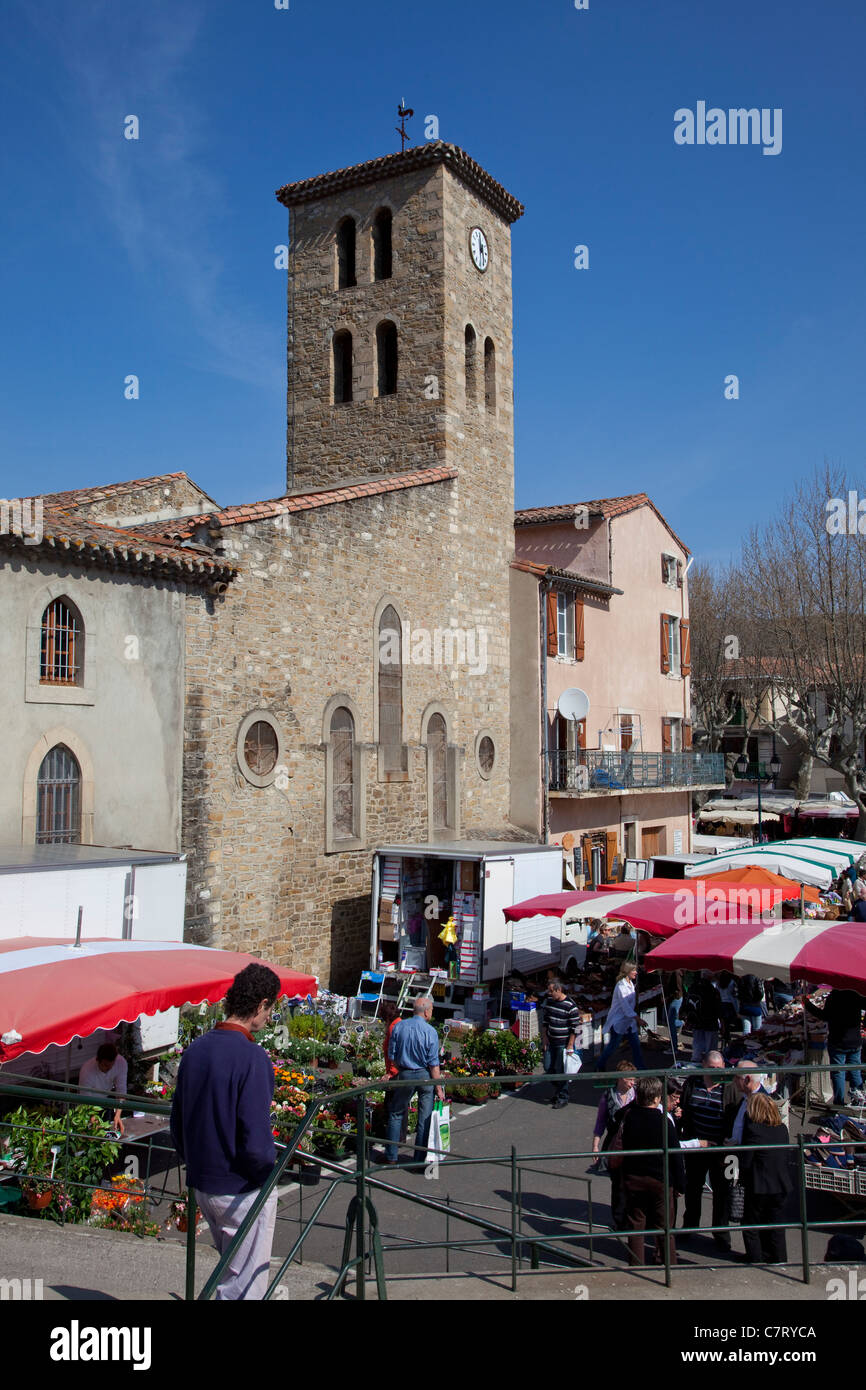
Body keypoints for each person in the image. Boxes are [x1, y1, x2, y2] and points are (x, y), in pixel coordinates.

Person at [170, 963, 281, 1300]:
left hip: (204, 1182)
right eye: (271, 1009)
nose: (270, 1018)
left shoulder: (196, 1050)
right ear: (260, 1005)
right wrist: (267, 1173)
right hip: (240, 1187)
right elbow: (256, 1137)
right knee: (245, 1286)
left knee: (231, 1273)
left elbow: (177, 1122)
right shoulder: (252, 1057)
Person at [620, 1075, 686, 1266]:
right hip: (660, 1180)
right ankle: (668, 1266)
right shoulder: (664, 1121)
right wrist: (681, 1185)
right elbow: (676, 1156)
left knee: (636, 1224)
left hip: (634, 1178)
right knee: (665, 1226)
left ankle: (636, 1266)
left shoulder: (630, 1117)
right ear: (657, 1098)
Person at [679, 1052, 731, 1251]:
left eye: (719, 1068)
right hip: (696, 1146)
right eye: (712, 1068)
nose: (716, 1072)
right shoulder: (693, 1083)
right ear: (703, 1066)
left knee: (722, 1192)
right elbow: (684, 1107)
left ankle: (721, 1233)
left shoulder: (729, 1087)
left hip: (721, 1150)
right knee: (693, 1188)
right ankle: (689, 1227)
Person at [384, 997, 445, 1164]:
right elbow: (434, 1064)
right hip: (424, 1076)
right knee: (424, 1118)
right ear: (426, 1012)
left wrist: (402, 1068)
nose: (432, 1013)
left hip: (405, 1074)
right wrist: (439, 1088)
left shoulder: (399, 1027)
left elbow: (392, 1055)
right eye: (431, 1010)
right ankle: (419, 1158)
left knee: (396, 1113)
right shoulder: (430, 1031)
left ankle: (391, 1155)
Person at [739, 1092, 793, 1264]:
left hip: (759, 1185)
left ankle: (755, 1258)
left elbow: (747, 1161)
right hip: (781, 1183)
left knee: (751, 1224)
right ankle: (779, 1258)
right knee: (776, 1226)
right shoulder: (782, 1129)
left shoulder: (753, 1129)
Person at [804, 989, 866, 1105]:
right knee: (855, 1070)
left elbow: (824, 1015)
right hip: (854, 1041)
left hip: (838, 1042)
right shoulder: (856, 995)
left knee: (839, 1073)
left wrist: (808, 1005)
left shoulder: (834, 997)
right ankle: (859, 1101)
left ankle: (839, 1102)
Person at [540, 978, 581, 1108]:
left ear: (559, 990)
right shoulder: (549, 1002)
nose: (549, 993)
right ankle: (560, 1092)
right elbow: (545, 1021)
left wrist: (570, 1045)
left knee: (560, 1070)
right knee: (548, 1068)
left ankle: (563, 1096)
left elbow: (575, 1028)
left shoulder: (571, 1006)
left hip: (563, 1043)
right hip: (551, 1041)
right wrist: (545, 1038)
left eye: (552, 991)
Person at [596, 963, 646, 1071]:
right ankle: (599, 1065)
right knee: (612, 1047)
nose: (636, 972)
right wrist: (638, 1019)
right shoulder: (621, 986)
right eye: (634, 970)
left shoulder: (631, 984)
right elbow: (626, 1007)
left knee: (636, 1046)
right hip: (619, 1020)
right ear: (628, 971)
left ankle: (641, 1069)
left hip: (629, 1021)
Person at [591, 1060, 635, 1163]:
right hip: (614, 1143)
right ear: (621, 1078)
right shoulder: (607, 1096)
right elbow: (600, 1123)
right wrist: (595, 1146)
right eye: (630, 1079)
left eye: (634, 1079)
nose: (633, 1083)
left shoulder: (637, 1095)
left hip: (633, 1142)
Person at [79, 1043, 128, 1135]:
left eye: (111, 1066)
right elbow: (85, 1100)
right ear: (98, 1060)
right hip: (89, 1102)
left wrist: (117, 1115)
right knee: (89, 1132)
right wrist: (93, 1118)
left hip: (105, 1100)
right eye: (105, 1065)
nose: (108, 1069)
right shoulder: (87, 1071)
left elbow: (121, 1092)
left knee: (106, 1129)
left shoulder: (121, 1063)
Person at [682, 971, 723, 1064]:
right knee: (711, 1048)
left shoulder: (693, 987)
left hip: (696, 1020)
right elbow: (717, 1009)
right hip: (710, 1022)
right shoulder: (712, 990)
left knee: (697, 1044)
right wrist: (722, 1023)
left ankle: (696, 1061)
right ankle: (709, 1064)